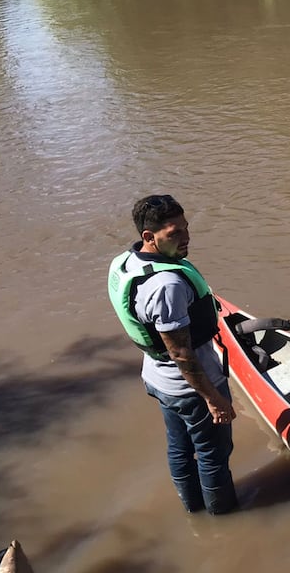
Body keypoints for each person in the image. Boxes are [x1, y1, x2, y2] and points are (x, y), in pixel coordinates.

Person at [107, 194, 239, 514]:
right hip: (189, 387)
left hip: (158, 378)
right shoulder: (167, 285)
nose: (186, 238)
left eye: (186, 228)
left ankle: (193, 510)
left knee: (180, 447)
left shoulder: (126, 261)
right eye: (174, 233)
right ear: (149, 237)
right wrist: (212, 398)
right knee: (213, 453)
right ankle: (224, 516)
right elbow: (181, 353)